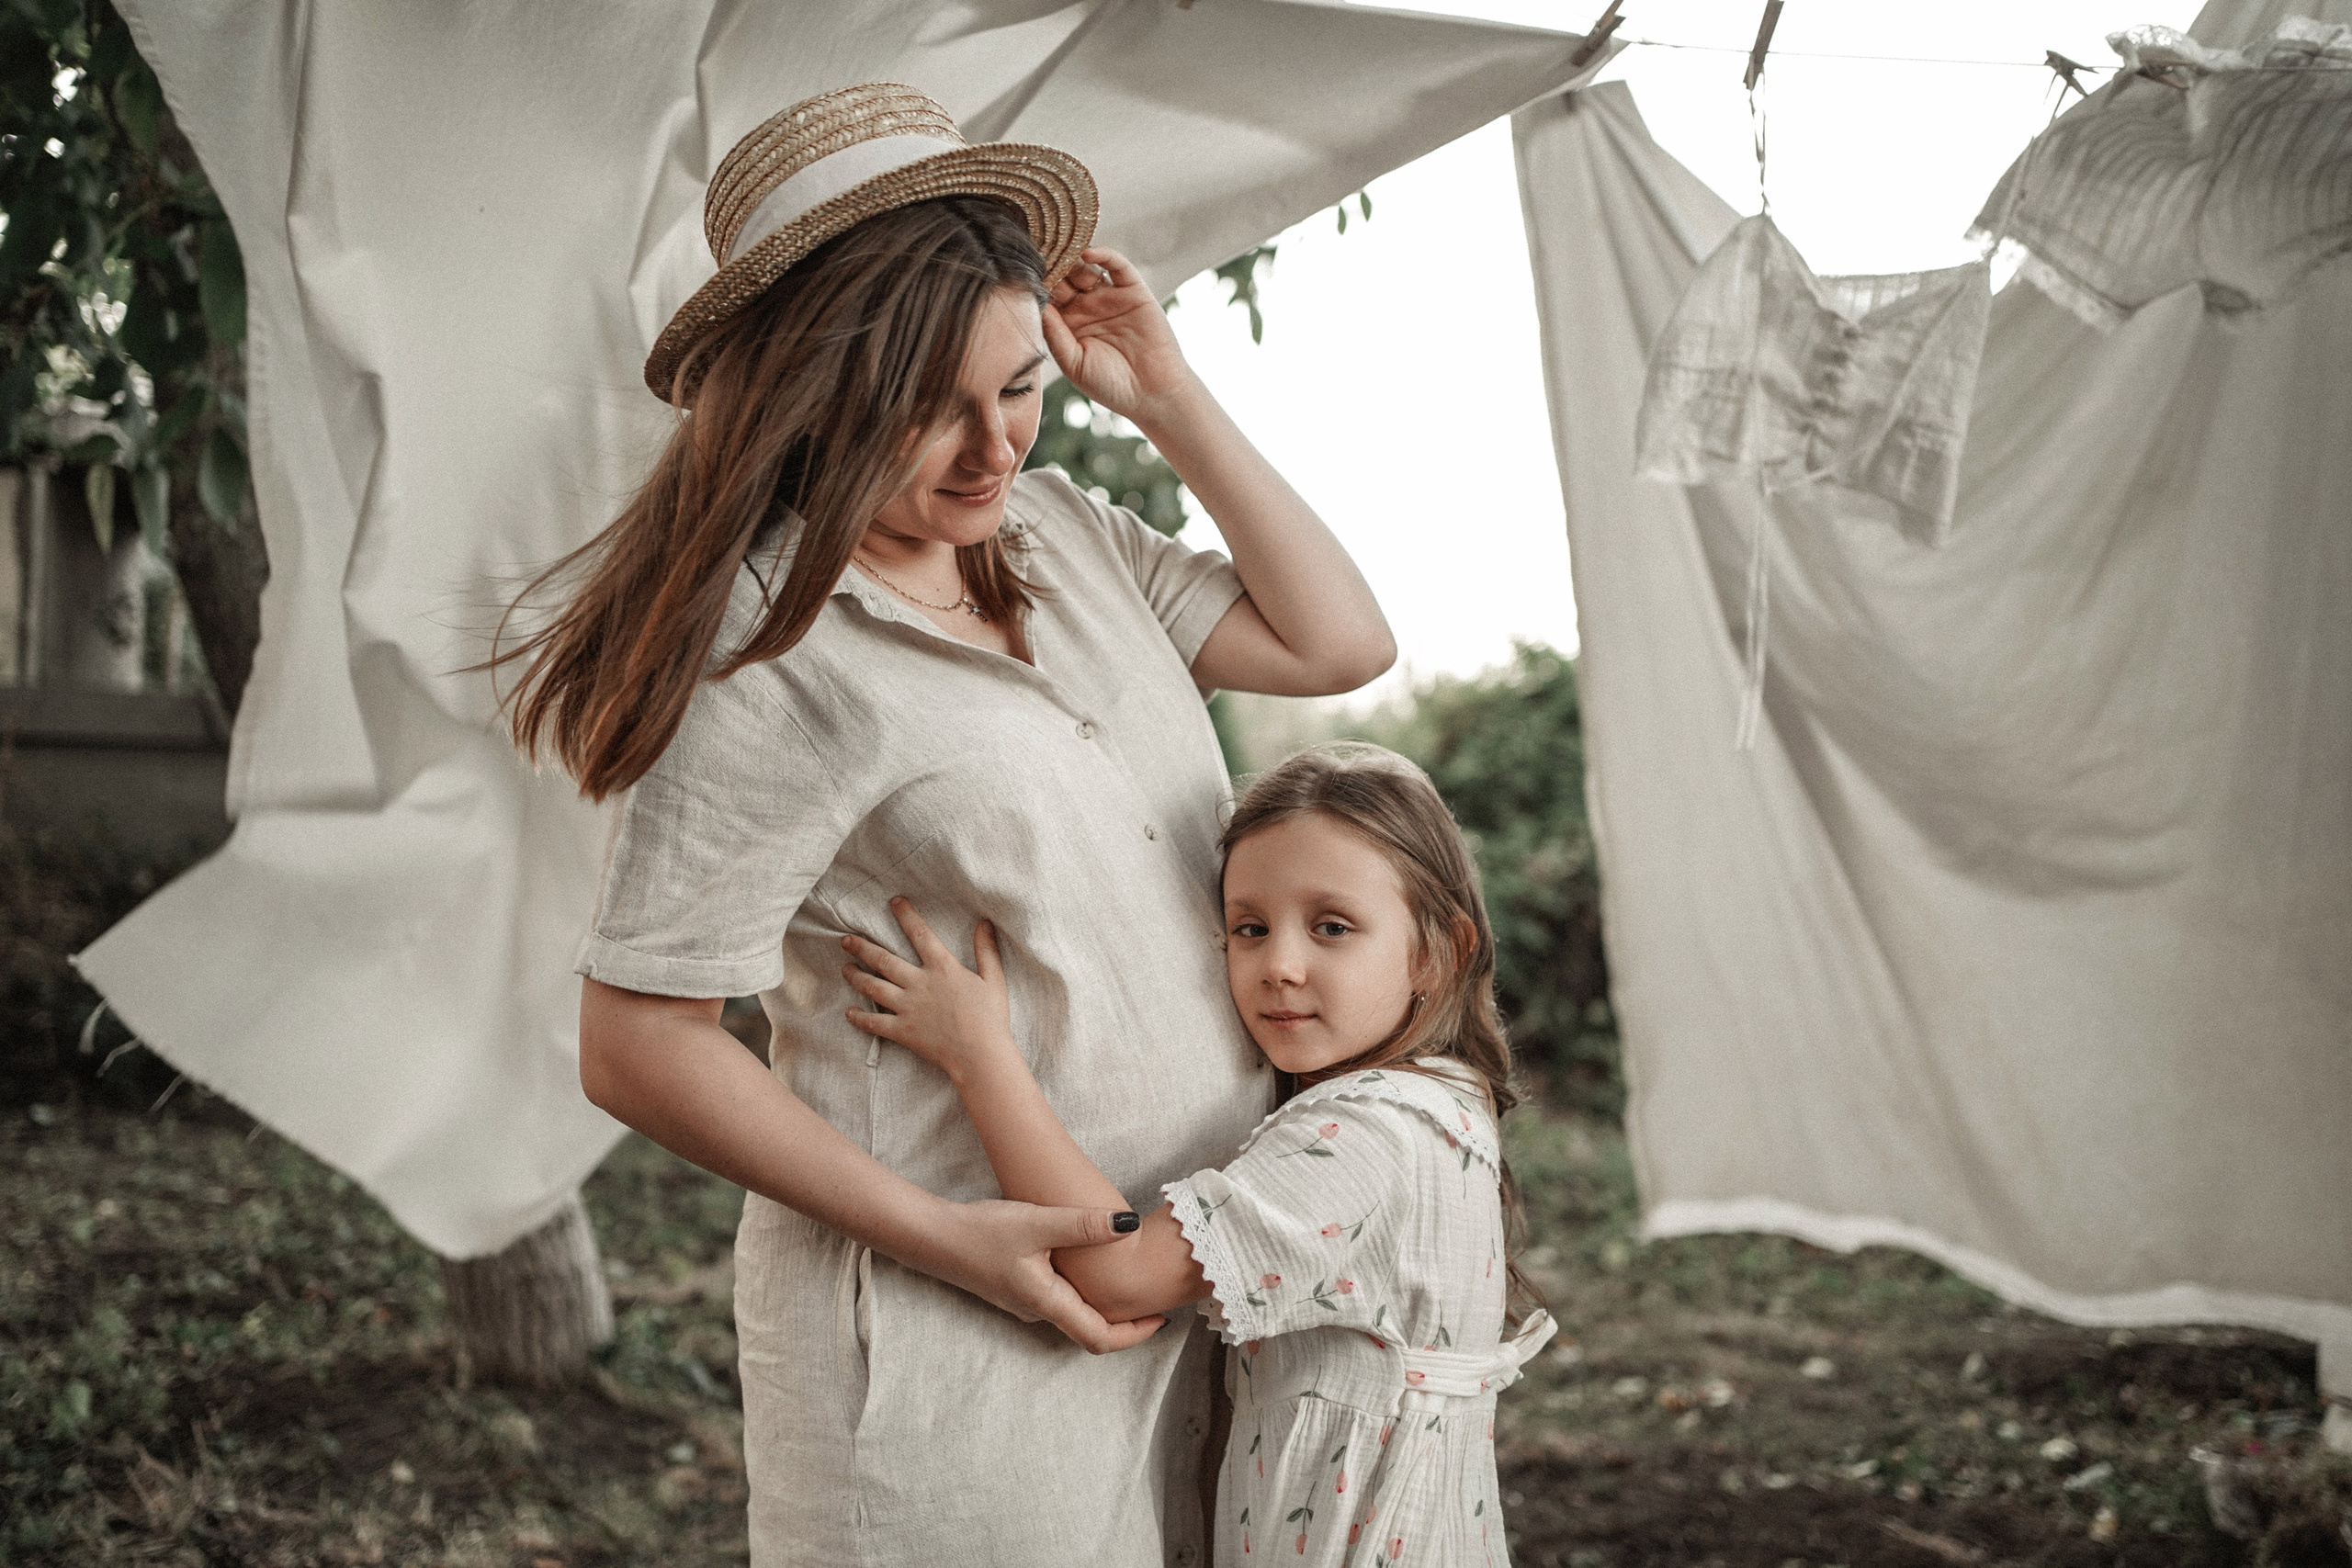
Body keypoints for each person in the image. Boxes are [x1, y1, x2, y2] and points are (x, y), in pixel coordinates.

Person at [493, 83, 1394, 1566]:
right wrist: (947, 1238)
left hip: (1186, 1288)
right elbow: (638, 1040)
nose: (993, 450)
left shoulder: (1060, 535)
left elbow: (1337, 641)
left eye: (1021, 388)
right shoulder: (766, 657)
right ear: (812, 393)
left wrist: (1168, 398)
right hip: (954, 1339)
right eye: (930, 410)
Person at [842, 743, 1556, 1566]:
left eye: (1332, 927)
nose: (1279, 965)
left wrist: (980, 1055)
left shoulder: (1370, 1136)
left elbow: (1116, 1276)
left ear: (1437, 952)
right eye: (1250, 928)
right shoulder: (1442, 1100)